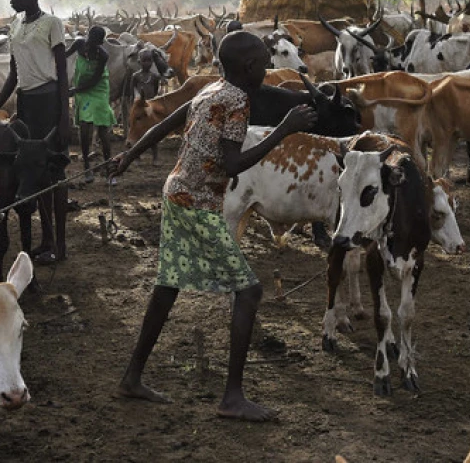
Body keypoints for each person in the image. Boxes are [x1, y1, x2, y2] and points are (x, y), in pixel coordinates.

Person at [110, 31, 317, 421]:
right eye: (264, 63)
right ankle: (232, 397)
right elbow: (234, 164)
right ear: (251, 67)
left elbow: (164, 125)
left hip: (176, 192)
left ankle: (131, 377)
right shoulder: (237, 100)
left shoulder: (210, 90)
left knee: (168, 285)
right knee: (250, 292)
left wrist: (129, 157)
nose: (267, 70)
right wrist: (284, 130)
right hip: (197, 204)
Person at [0, 0, 70, 265]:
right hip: (26, 104)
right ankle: (46, 240)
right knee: (35, 173)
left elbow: (62, 73)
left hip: (49, 102)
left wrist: (65, 115)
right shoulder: (15, 27)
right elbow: (14, 74)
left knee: (55, 174)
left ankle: (59, 245)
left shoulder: (52, 24)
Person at [69, 26, 116, 184]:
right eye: (89, 41)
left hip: (98, 88)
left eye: (95, 43)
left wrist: (74, 90)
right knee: (84, 125)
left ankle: (109, 169)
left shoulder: (103, 55)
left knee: (103, 128)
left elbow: (95, 79)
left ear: (100, 43)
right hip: (82, 88)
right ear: (87, 37)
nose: (90, 46)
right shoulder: (78, 44)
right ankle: (87, 167)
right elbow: (62, 56)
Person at [127, 48, 164, 165]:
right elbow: (131, 92)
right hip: (138, 108)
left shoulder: (154, 77)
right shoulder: (135, 76)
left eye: (149, 60)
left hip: (149, 108)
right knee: (137, 133)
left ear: (152, 62)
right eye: (144, 60)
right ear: (139, 62)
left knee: (153, 132)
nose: (146, 63)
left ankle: (155, 158)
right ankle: (137, 157)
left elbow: (156, 92)